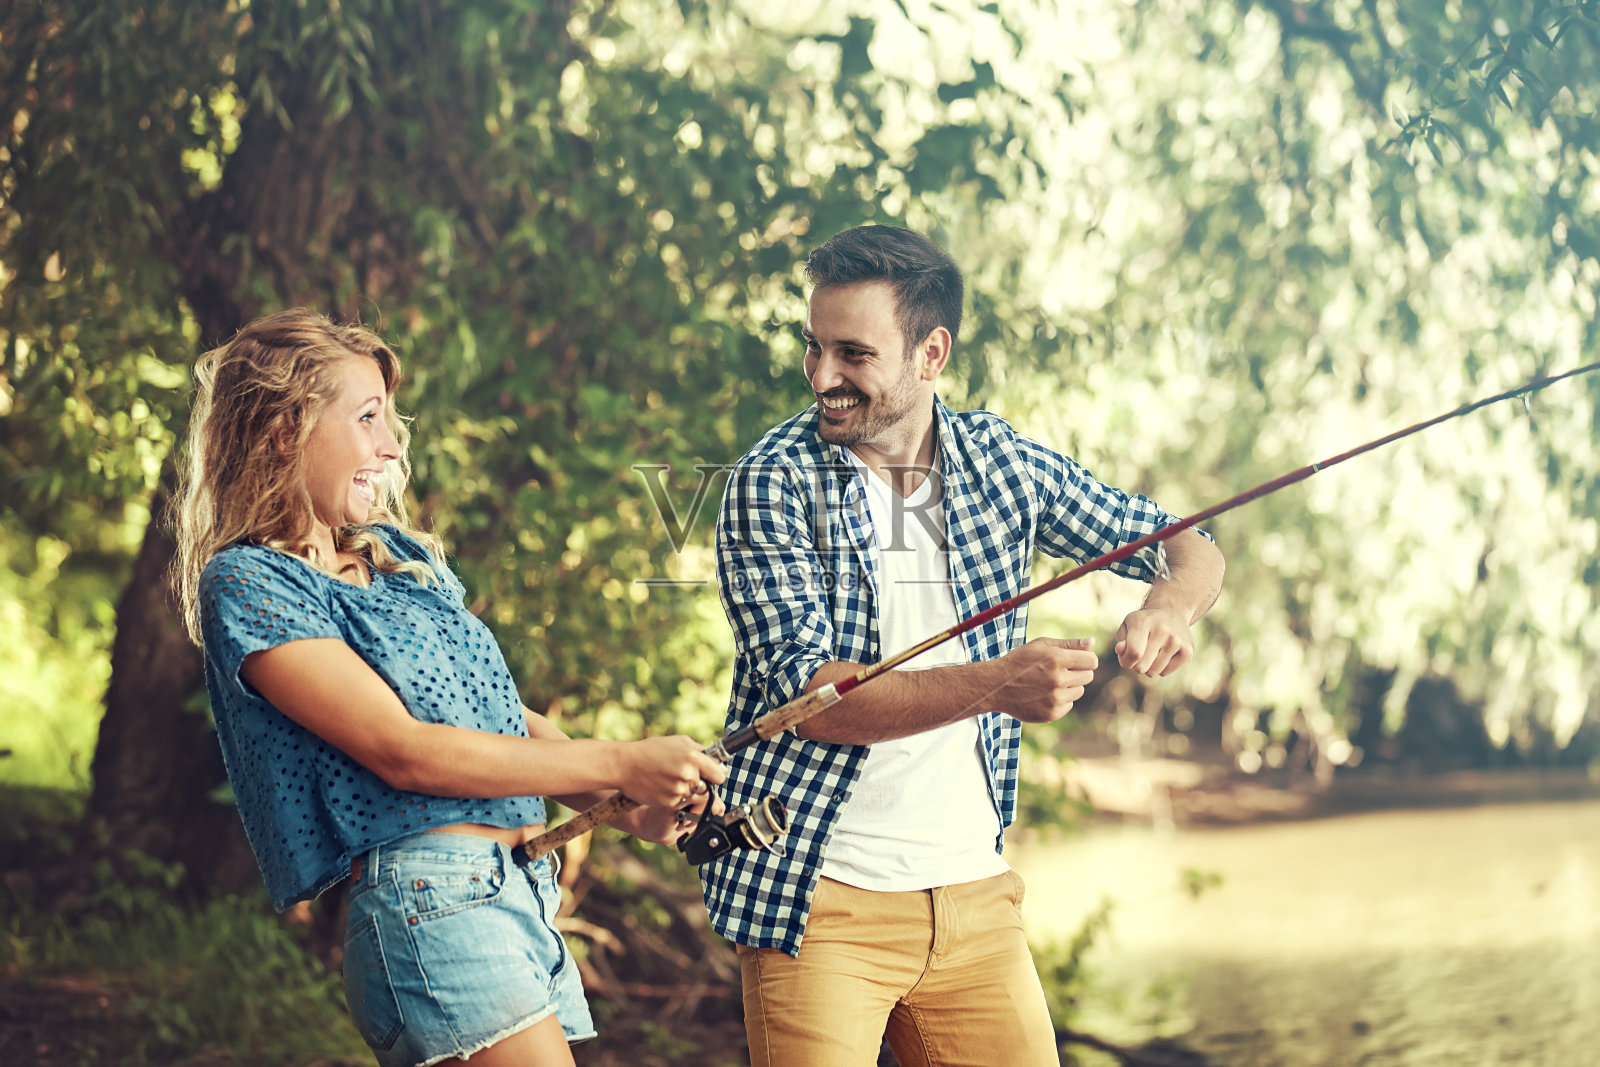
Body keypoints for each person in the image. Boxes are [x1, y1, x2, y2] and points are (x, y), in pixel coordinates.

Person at [702, 224, 1226, 1066]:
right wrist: (995, 684)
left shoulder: (999, 461)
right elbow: (814, 704)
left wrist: (1169, 607)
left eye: (853, 353)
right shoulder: (771, 483)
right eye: (813, 348)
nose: (822, 377)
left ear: (930, 354)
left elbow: (1186, 540)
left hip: (976, 897)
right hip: (820, 901)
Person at [172, 308, 727, 1067]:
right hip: (431, 907)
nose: (392, 444)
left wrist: (631, 806)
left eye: (390, 419)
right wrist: (621, 761)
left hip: (519, 896)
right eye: (368, 417)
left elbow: (501, 715)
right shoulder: (251, 582)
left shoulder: (397, 559)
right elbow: (404, 752)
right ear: (282, 430)